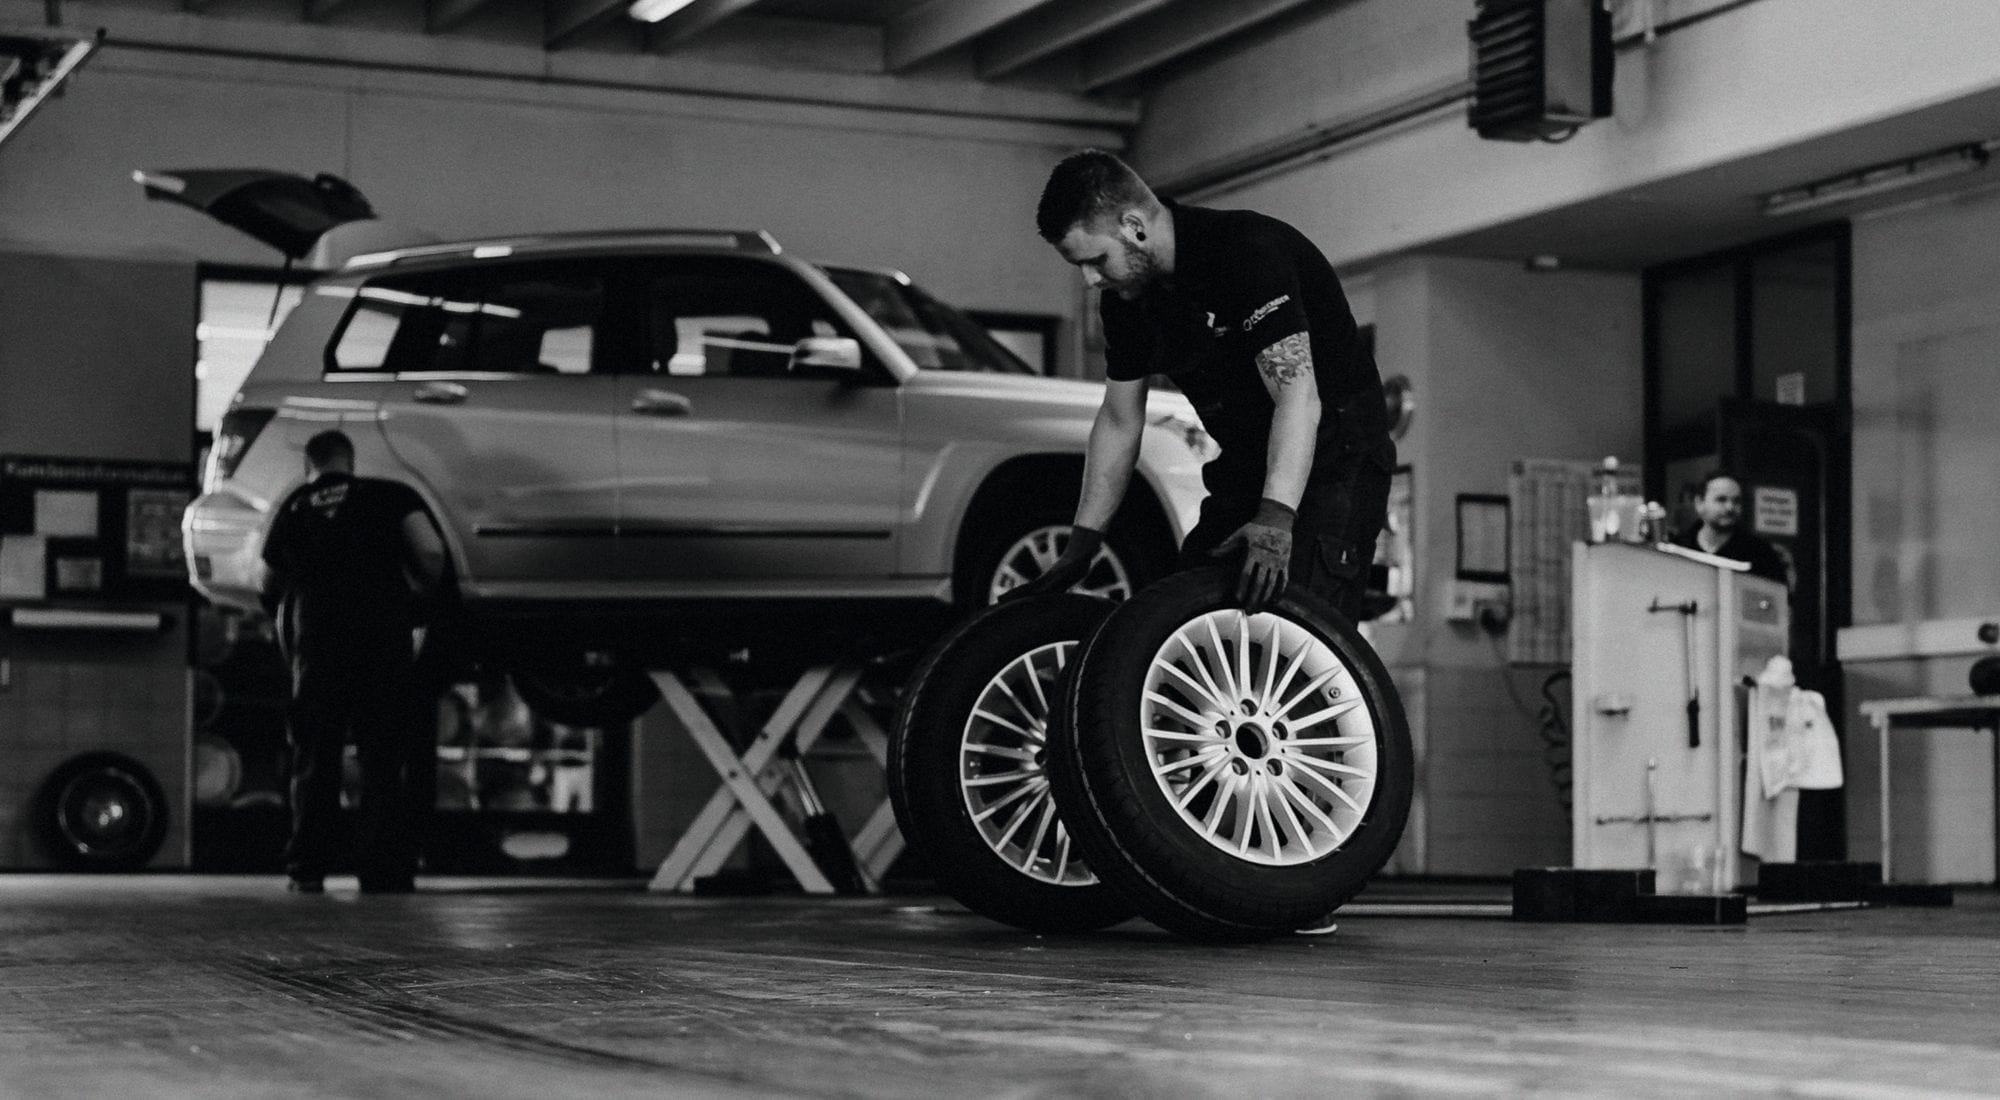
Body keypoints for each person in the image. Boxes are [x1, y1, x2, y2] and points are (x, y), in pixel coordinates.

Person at [1009, 149, 1393, 616]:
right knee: (1181, 612)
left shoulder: (1246, 251)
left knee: (1296, 621)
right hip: (1247, 461)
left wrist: (1275, 520)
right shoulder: (1128, 301)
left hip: (1337, 459)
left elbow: (1298, 398)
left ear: (1134, 226)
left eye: (1097, 260)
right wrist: (1082, 546)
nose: (1090, 280)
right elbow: (1119, 420)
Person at [261, 429, 447, 894]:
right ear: (351, 461)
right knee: (383, 756)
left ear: (309, 465)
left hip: (318, 644)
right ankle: (383, 870)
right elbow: (430, 550)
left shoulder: (295, 505)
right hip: (381, 639)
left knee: (315, 756)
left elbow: (267, 581)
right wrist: (421, 595)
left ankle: (308, 867)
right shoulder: (391, 494)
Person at [1671, 469, 1789, 586]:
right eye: (1721, 499)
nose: (1730, 507)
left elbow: (1777, 594)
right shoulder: (1678, 548)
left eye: (1736, 501)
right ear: (1699, 503)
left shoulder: (1760, 553)